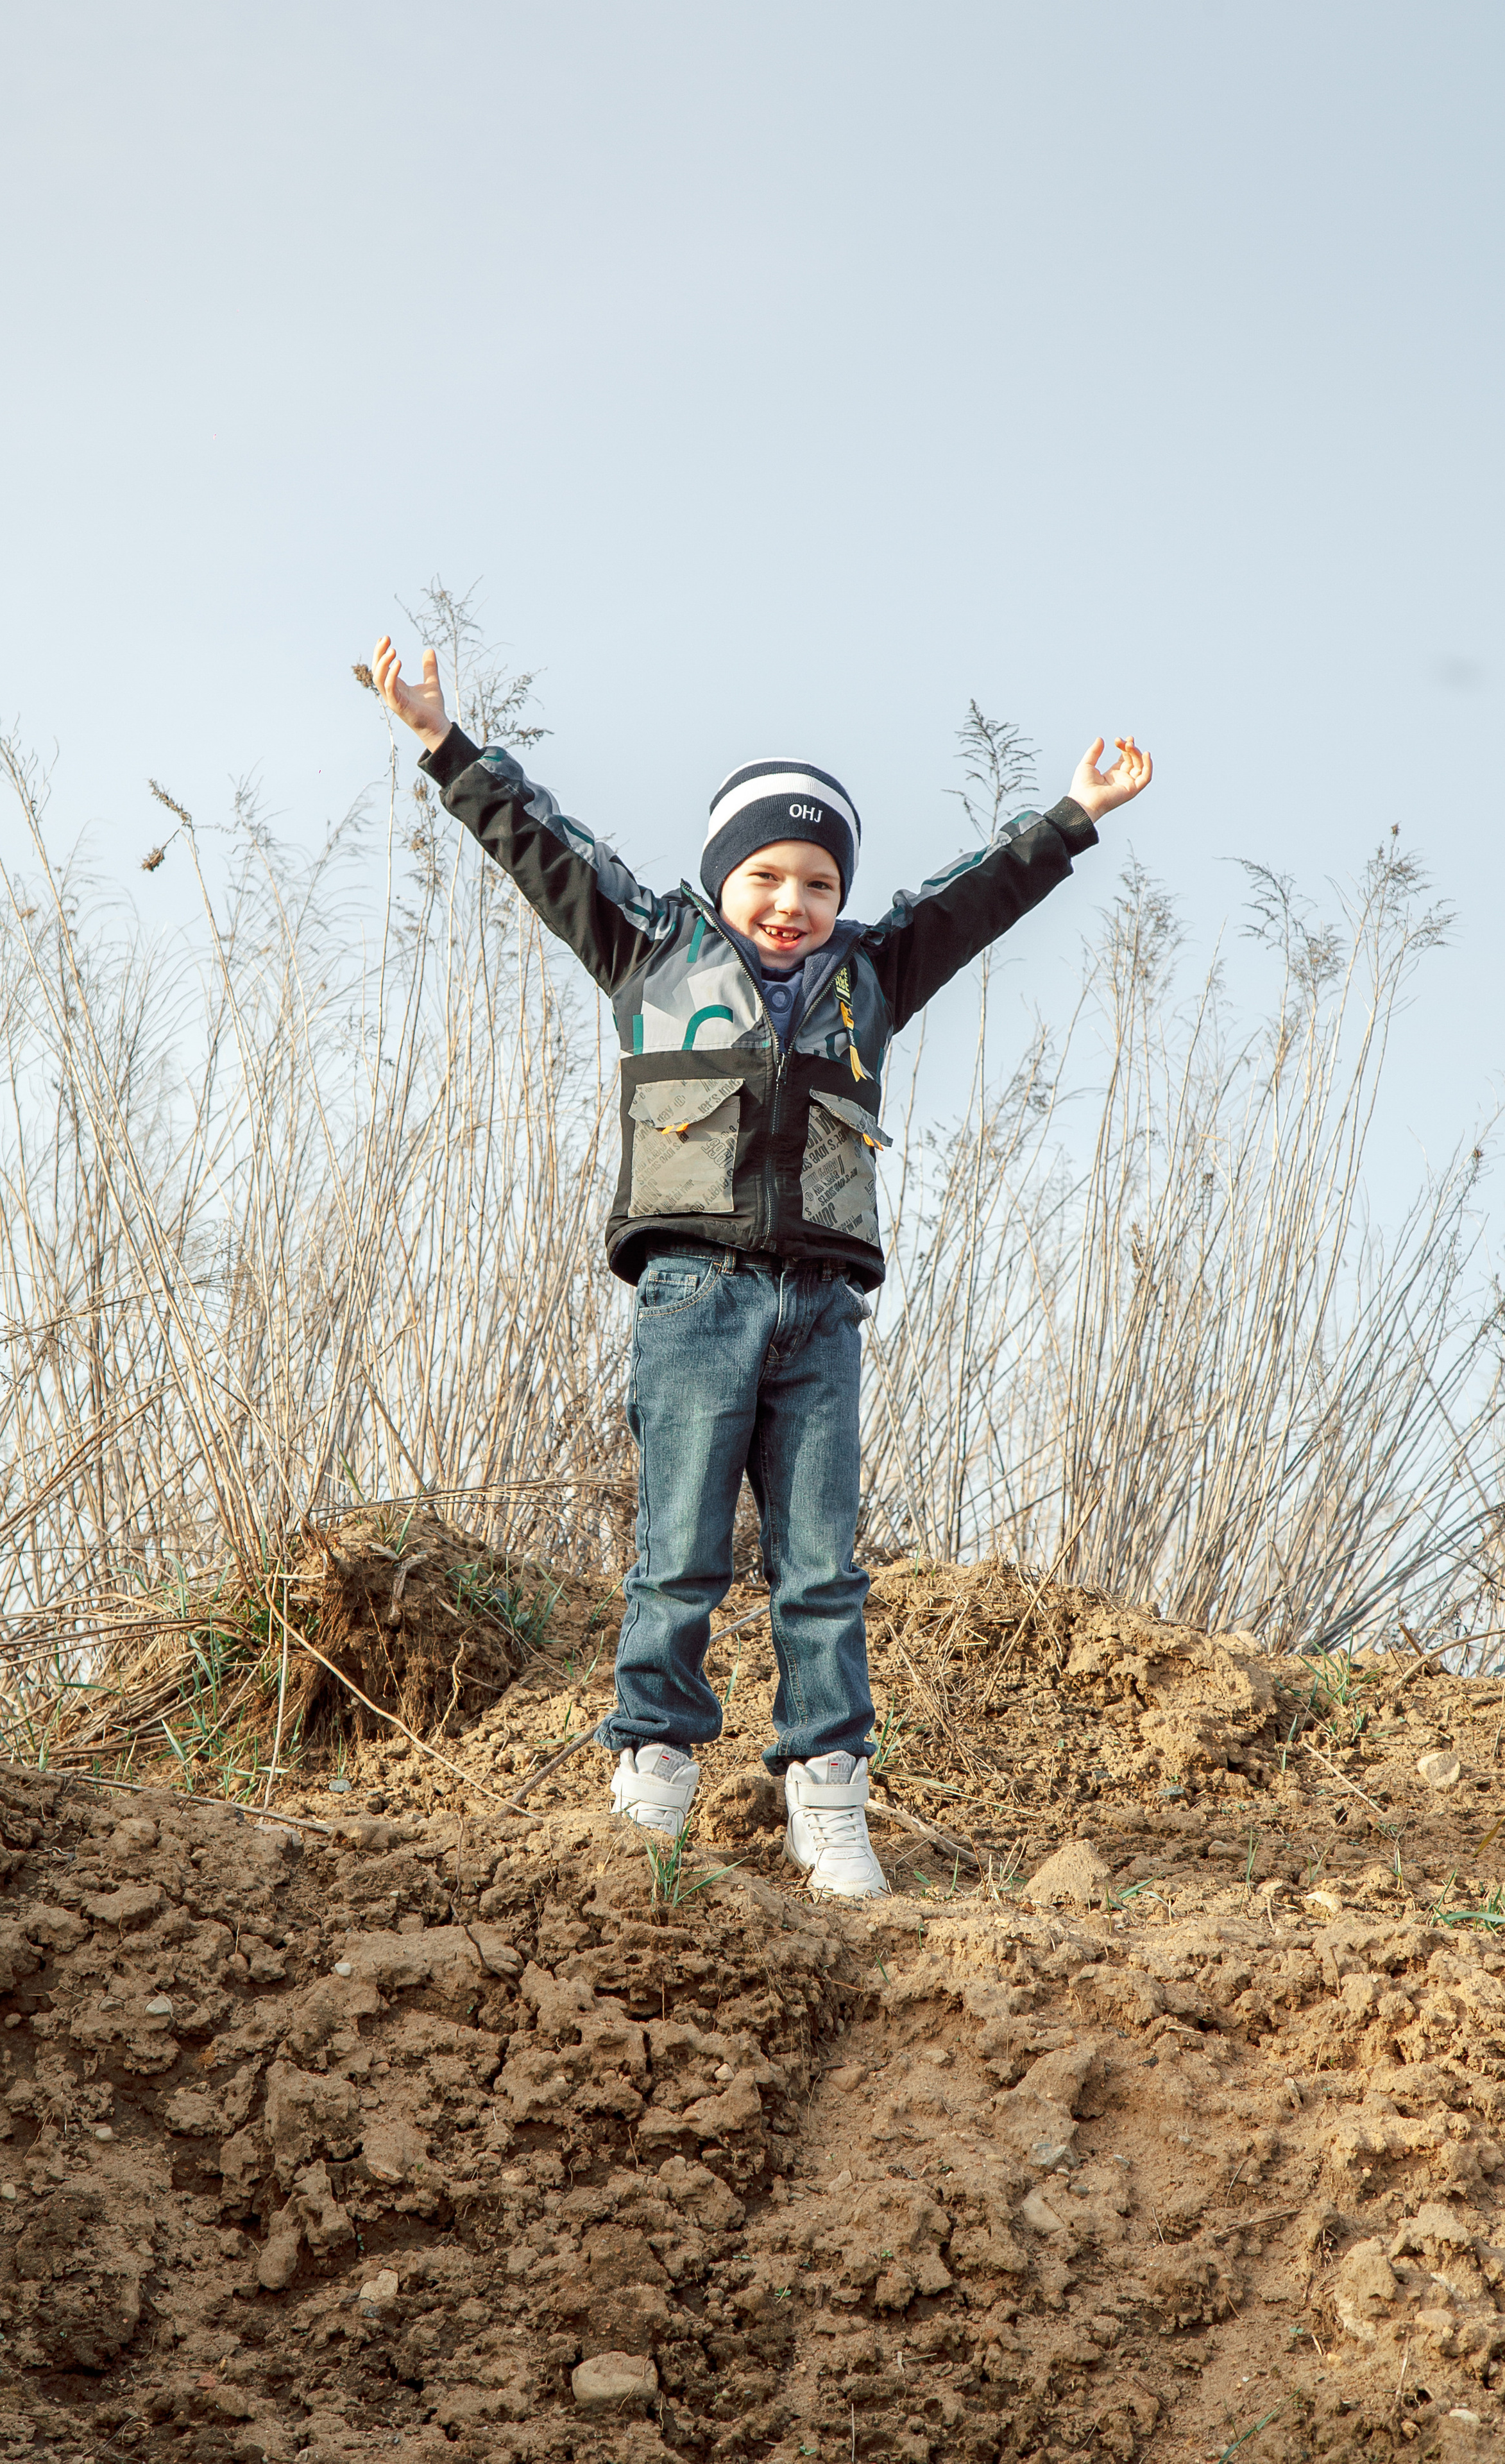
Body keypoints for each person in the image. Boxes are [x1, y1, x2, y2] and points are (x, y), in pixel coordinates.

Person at [372, 633, 1151, 1895]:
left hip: (819, 1313)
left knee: (819, 1569)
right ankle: (653, 1777)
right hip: (694, 1297)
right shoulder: (645, 947)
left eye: (816, 881)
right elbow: (538, 846)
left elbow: (973, 895)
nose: (791, 901)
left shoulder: (872, 977)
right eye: (766, 875)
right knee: (677, 1552)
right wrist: (443, 744)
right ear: (722, 878)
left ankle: (826, 1797)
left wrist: (1073, 814)